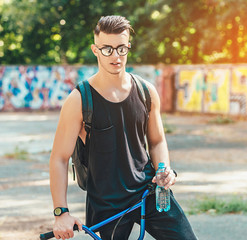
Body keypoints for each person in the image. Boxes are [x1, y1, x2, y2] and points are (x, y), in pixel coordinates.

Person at [49, 15, 197, 240]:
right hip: (107, 202)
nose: (115, 56)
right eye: (107, 49)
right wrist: (61, 212)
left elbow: (156, 141)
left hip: (149, 192)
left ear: (128, 47)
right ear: (95, 50)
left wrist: (164, 168)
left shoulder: (146, 92)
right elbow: (59, 158)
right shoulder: (80, 100)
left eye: (121, 48)